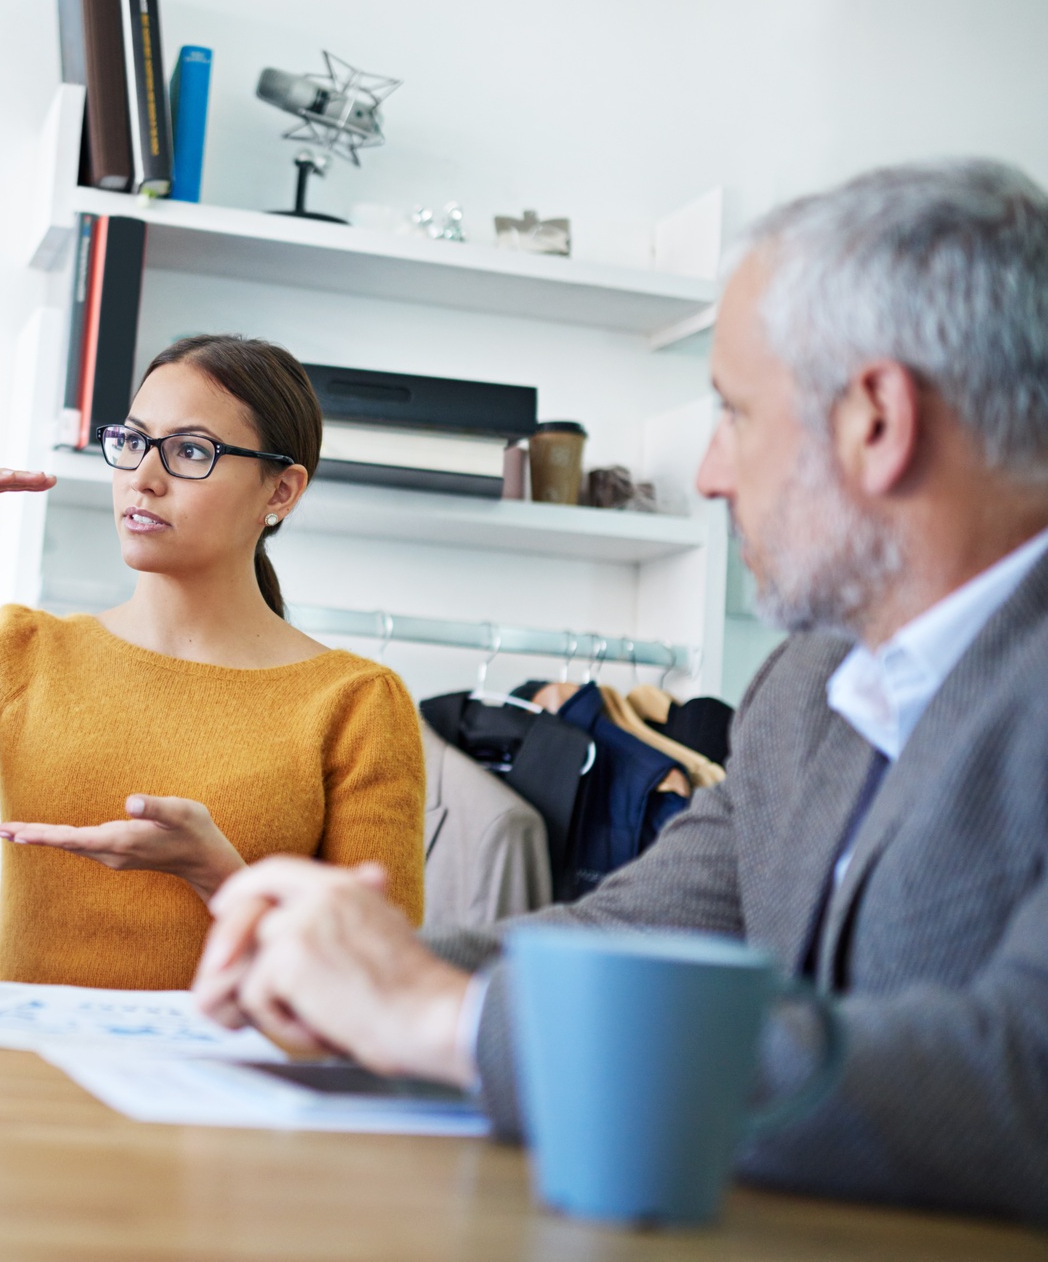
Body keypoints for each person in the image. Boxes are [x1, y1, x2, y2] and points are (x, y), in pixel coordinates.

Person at [192, 159, 1048, 1223]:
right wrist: (348, 967)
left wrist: (446, 1020)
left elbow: (1016, 1078)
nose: (707, 476)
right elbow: (632, 936)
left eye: (733, 414)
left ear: (875, 419)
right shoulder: (803, 686)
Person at [0, 335, 425, 990]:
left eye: (190, 451)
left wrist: (217, 876)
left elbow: (378, 982)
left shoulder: (356, 702)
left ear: (280, 491)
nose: (143, 478)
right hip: (16, 1088)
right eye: (132, 441)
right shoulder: (19, 656)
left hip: (220, 1102)